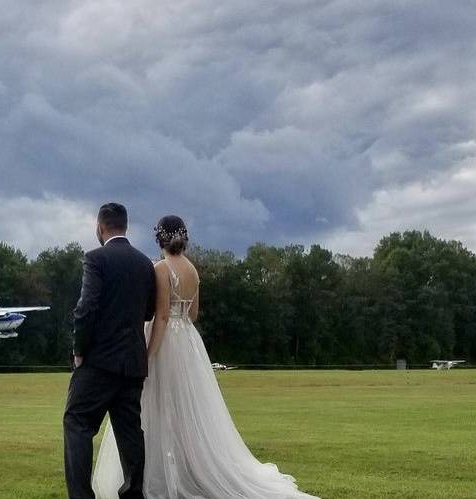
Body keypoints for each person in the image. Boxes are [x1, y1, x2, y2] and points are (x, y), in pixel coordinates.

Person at [92, 215, 319, 499]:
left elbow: (161, 317)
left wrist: (148, 355)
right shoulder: (193, 270)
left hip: (166, 344)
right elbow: (193, 314)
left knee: (158, 406)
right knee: (188, 407)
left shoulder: (161, 269)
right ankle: (187, 467)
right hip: (188, 342)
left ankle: (160, 473)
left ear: (159, 239)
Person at [64, 203, 157, 499]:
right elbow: (148, 311)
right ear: (125, 226)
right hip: (132, 362)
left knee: (77, 424)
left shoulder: (95, 259)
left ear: (101, 227)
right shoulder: (145, 263)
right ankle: (133, 492)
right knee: (130, 432)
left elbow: (85, 308)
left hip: (98, 363)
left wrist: (79, 351)